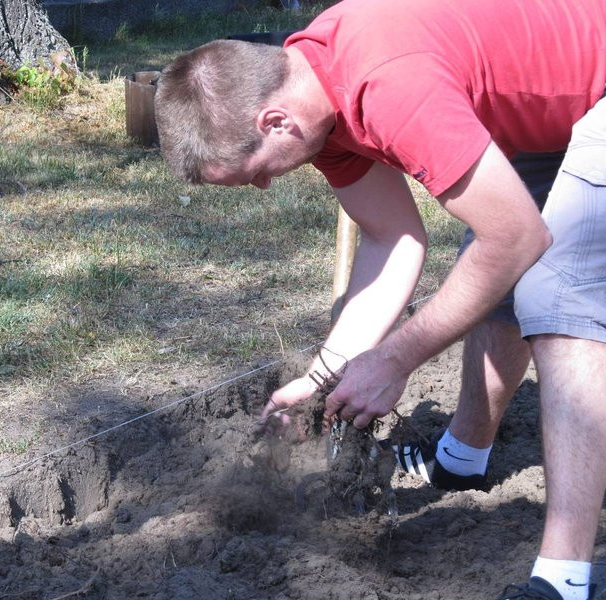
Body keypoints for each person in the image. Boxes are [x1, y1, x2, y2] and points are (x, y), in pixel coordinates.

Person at [153, 0, 606, 598]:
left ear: (274, 122)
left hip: (596, 86)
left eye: (254, 173)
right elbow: (393, 240)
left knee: (559, 294)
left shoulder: (387, 84)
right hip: (544, 110)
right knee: (493, 260)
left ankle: (565, 578)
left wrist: (394, 360)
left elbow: (519, 237)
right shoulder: (317, 100)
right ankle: (464, 457)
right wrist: (320, 380)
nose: (264, 186)